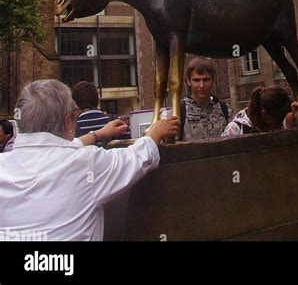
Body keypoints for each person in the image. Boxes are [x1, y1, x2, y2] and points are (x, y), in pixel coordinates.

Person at [0, 79, 178, 240]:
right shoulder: (85, 164)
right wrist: (155, 132)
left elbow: (53, 149)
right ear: (68, 120)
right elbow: (135, 158)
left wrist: (97, 134)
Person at [222, 85, 298, 137]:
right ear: (264, 113)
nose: (279, 123)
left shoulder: (272, 122)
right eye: (278, 119)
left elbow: (288, 122)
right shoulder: (235, 129)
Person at [180, 58, 234, 141]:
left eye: (206, 80)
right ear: (188, 81)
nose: (201, 85)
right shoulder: (180, 112)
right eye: (196, 80)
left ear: (213, 80)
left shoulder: (226, 110)